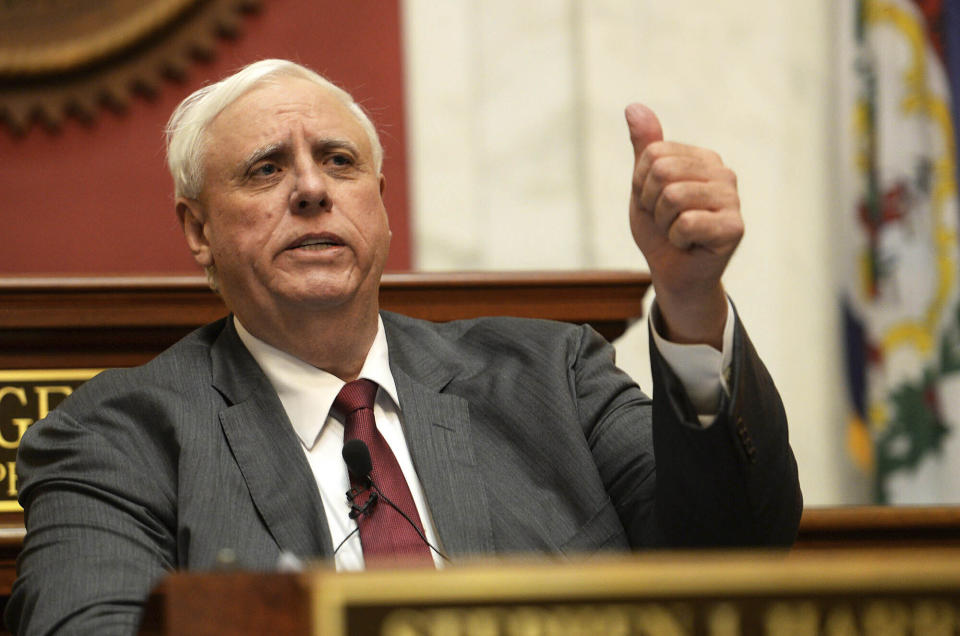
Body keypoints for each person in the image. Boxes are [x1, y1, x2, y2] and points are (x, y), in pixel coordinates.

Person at [6, 59, 801, 634]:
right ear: (198, 230)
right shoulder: (116, 437)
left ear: (380, 209)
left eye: (339, 161)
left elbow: (738, 553)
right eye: (265, 169)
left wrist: (691, 300)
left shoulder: (551, 377)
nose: (311, 188)